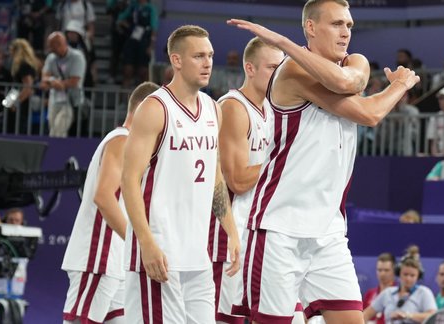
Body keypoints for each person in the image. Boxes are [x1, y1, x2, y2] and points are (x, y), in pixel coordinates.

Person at [227, 0, 420, 321]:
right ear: (311, 28)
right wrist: (400, 84)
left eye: (349, 25)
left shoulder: (355, 61)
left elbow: (352, 82)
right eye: (336, 24)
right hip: (278, 228)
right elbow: (368, 111)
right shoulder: (291, 70)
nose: (346, 32)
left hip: (328, 231)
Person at [121, 25, 241, 323]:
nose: (208, 62)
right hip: (160, 251)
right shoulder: (155, 108)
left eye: (210, 55)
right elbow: (128, 181)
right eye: (198, 56)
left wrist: (233, 231)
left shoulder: (214, 109)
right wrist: (146, 242)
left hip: (196, 255)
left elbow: (214, 177)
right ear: (176, 60)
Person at [61, 81, 159, 324]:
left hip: (113, 261)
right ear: (144, 110)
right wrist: (138, 243)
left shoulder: (130, 144)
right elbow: (104, 197)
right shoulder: (122, 140)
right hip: (99, 256)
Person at [209, 37, 285, 324]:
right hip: (226, 233)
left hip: (257, 227)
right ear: (249, 68)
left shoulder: (273, 108)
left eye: (280, 68)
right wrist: (283, 163)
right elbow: (238, 180)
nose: (277, 74)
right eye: (270, 68)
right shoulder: (233, 107)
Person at [40, 32, 86, 138]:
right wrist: (53, 81)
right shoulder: (51, 58)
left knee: (59, 129)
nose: (50, 48)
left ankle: (57, 153)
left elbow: (75, 81)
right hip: (54, 100)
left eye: (51, 46)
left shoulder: (77, 57)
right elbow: (44, 78)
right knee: (52, 130)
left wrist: (56, 83)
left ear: (60, 44)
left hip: (70, 101)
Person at [363, 257, 436, 323]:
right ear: (399, 274)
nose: (408, 278)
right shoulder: (388, 292)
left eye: (412, 275)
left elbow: (433, 316)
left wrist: (408, 315)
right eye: (405, 274)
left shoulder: (424, 292)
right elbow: (366, 314)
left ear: (418, 276)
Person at [3, 39, 41, 135]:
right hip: (16, 98)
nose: (10, 52)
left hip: (21, 103)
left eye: (12, 49)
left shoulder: (24, 65)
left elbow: (27, 87)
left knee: (16, 129)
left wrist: (15, 103)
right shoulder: (24, 64)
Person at [117, 0, 158, 87]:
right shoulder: (132, 6)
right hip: (131, 41)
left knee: (143, 72)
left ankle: (143, 98)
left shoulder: (150, 9)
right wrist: (128, 27)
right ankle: (123, 99)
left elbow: (154, 28)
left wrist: (151, 46)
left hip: (144, 42)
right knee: (127, 71)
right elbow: (120, 19)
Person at [363, 253, 396, 324]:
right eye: (379, 270)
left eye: (386, 270)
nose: (382, 274)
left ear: (394, 271)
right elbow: (362, 317)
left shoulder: (399, 293)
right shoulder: (370, 293)